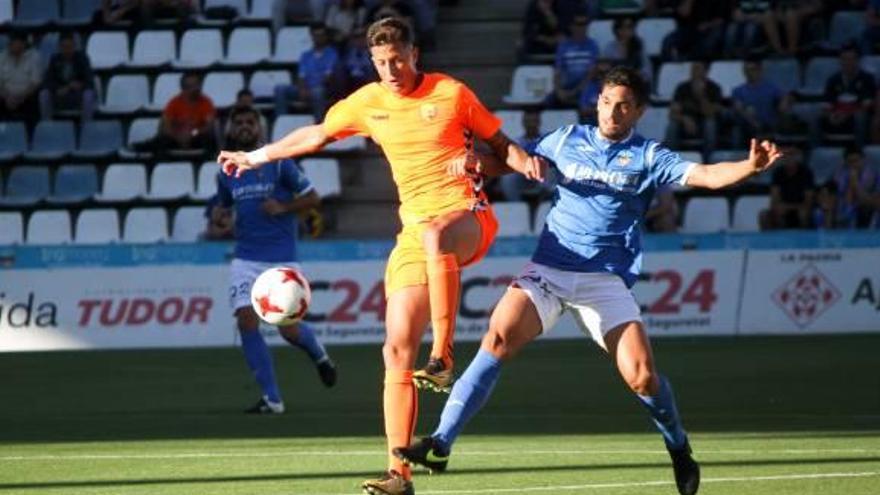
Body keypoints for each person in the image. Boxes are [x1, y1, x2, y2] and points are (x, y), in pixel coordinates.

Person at [393, 66, 784, 495]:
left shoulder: (650, 156)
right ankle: (441, 443)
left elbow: (706, 175)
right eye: (606, 102)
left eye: (623, 106)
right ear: (596, 102)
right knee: (498, 338)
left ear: (637, 112)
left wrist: (748, 167)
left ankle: (679, 449)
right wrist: (478, 163)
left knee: (642, 377)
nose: (612, 112)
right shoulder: (566, 139)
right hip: (549, 268)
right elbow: (514, 161)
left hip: (604, 281)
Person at [217, 17, 541, 495]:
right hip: (415, 234)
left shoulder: (450, 93)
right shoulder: (368, 102)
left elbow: (501, 144)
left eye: (398, 59)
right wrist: (257, 156)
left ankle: (444, 356)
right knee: (394, 350)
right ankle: (399, 475)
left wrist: (524, 163)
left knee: (434, 236)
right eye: (381, 62)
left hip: (466, 215)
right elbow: (316, 135)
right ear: (372, 62)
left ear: (414, 55)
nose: (391, 69)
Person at [215, 106, 337, 414]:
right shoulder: (227, 170)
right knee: (246, 320)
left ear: (259, 129)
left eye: (249, 122)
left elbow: (313, 198)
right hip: (245, 259)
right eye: (239, 122)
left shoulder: (280, 164)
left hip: (281, 262)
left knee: (288, 329)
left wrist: (283, 207)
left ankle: (319, 356)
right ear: (232, 129)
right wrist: (221, 217)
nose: (244, 127)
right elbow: (224, 206)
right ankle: (272, 399)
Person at [135, 72, 217, 155]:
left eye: (197, 85)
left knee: (209, 141)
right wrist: (178, 137)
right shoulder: (174, 103)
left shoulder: (206, 103)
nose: (195, 89)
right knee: (161, 141)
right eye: (191, 86)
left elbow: (209, 126)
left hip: (195, 138)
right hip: (176, 138)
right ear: (183, 88)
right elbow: (166, 126)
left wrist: (192, 133)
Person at [274, 23, 341, 120]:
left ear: (325, 36)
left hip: (322, 88)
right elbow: (301, 76)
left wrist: (310, 89)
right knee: (280, 89)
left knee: (318, 92)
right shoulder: (305, 55)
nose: (318, 38)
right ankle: (281, 121)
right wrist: (302, 89)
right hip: (306, 88)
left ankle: (318, 122)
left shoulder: (331, 54)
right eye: (315, 35)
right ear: (312, 36)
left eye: (321, 35)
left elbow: (327, 77)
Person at [821, 45, 875, 147]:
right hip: (837, 113)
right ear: (840, 61)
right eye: (844, 59)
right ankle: (818, 149)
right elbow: (827, 103)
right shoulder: (833, 79)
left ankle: (859, 149)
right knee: (816, 116)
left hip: (857, 114)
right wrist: (830, 114)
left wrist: (846, 114)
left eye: (851, 59)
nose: (848, 62)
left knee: (860, 117)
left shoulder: (867, 79)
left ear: (858, 60)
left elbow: (866, 104)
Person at [730, 57, 791, 147]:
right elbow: (738, 108)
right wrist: (753, 121)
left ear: (760, 70)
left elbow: (785, 97)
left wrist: (783, 104)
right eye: (746, 70)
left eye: (752, 70)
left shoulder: (771, 88)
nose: (749, 73)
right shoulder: (738, 90)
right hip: (748, 126)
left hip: (770, 124)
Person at [666, 60, 724, 154]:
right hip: (685, 123)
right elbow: (672, 114)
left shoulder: (714, 88)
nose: (693, 71)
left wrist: (701, 96)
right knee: (672, 125)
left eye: (697, 68)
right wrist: (684, 119)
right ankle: (669, 159)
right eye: (692, 68)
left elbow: (710, 113)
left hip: (704, 123)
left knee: (710, 124)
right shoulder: (682, 88)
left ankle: (708, 158)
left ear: (706, 71)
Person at [39, 33, 97, 121]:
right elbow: (48, 81)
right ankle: (47, 125)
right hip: (60, 96)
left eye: (70, 47)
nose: (67, 50)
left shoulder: (83, 59)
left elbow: (89, 81)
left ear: (74, 46)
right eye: (64, 47)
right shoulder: (54, 59)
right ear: (59, 47)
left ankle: (87, 127)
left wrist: (78, 86)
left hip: (77, 96)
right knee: (44, 94)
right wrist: (57, 89)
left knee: (88, 95)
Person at [549, 14, 599, 107]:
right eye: (579, 24)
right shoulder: (563, 46)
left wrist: (573, 92)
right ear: (571, 26)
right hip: (567, 85)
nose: (582, 27)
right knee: (549, 100)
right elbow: (557, 71)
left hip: (585, 87)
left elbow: (591, 74)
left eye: (584, 24)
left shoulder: (592, 46)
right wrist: (559, 90)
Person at [760, 145, 814, 229]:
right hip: (783, 208)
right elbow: (774, 198)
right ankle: (777, 239)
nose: (789, 158)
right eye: (786, 154)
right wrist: (780, 207)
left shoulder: (806, 173)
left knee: (803, 213)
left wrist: (791, 207)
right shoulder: (778, 173)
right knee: (764, 215)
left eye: (792, 154)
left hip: (800, 208)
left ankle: (803, 239)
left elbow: (809, 200)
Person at [0, 32, 42, 123]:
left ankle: (30, 134)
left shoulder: (34, 57)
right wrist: (6, 96)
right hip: (6, 96)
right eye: (11, 43)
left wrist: (21, 97)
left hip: (26, 96)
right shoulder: (2, 57)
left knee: (34, 100)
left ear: (23, 44)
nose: (11, 45)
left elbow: (35, 82)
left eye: (15, 43)